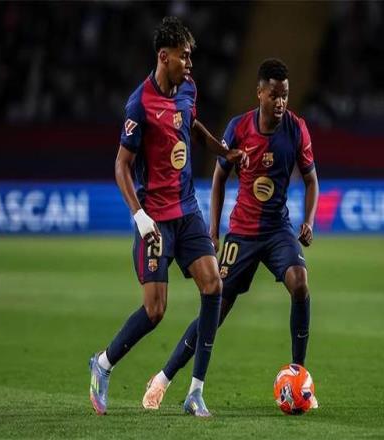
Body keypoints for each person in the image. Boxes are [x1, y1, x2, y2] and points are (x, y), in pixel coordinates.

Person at [88, 16, 246, 418]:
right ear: (164, 56)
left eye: (190, 57)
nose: (189, 64)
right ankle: (102, 363)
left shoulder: (188, 89)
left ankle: (195, 391)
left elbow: (191, 124)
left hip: (187, 210)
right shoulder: (139, 104)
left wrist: (221, 149)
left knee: (214, 286)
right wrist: (139, 216)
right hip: (155, 219)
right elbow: (121, 165)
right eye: (184, 56)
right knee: (155, 310)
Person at [142, 58, 319, 410]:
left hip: (278, 230)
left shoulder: (297, 129)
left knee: (300, 283)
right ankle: (163, 378)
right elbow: (220, 177)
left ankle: (300, 376)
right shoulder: (239, 128)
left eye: (285, 95)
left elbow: (312, 180)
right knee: (215, 311)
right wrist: (213, 229)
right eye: (274, 95)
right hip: (242, 233)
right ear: (260, 94)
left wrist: (309, 222)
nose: (281, 102)